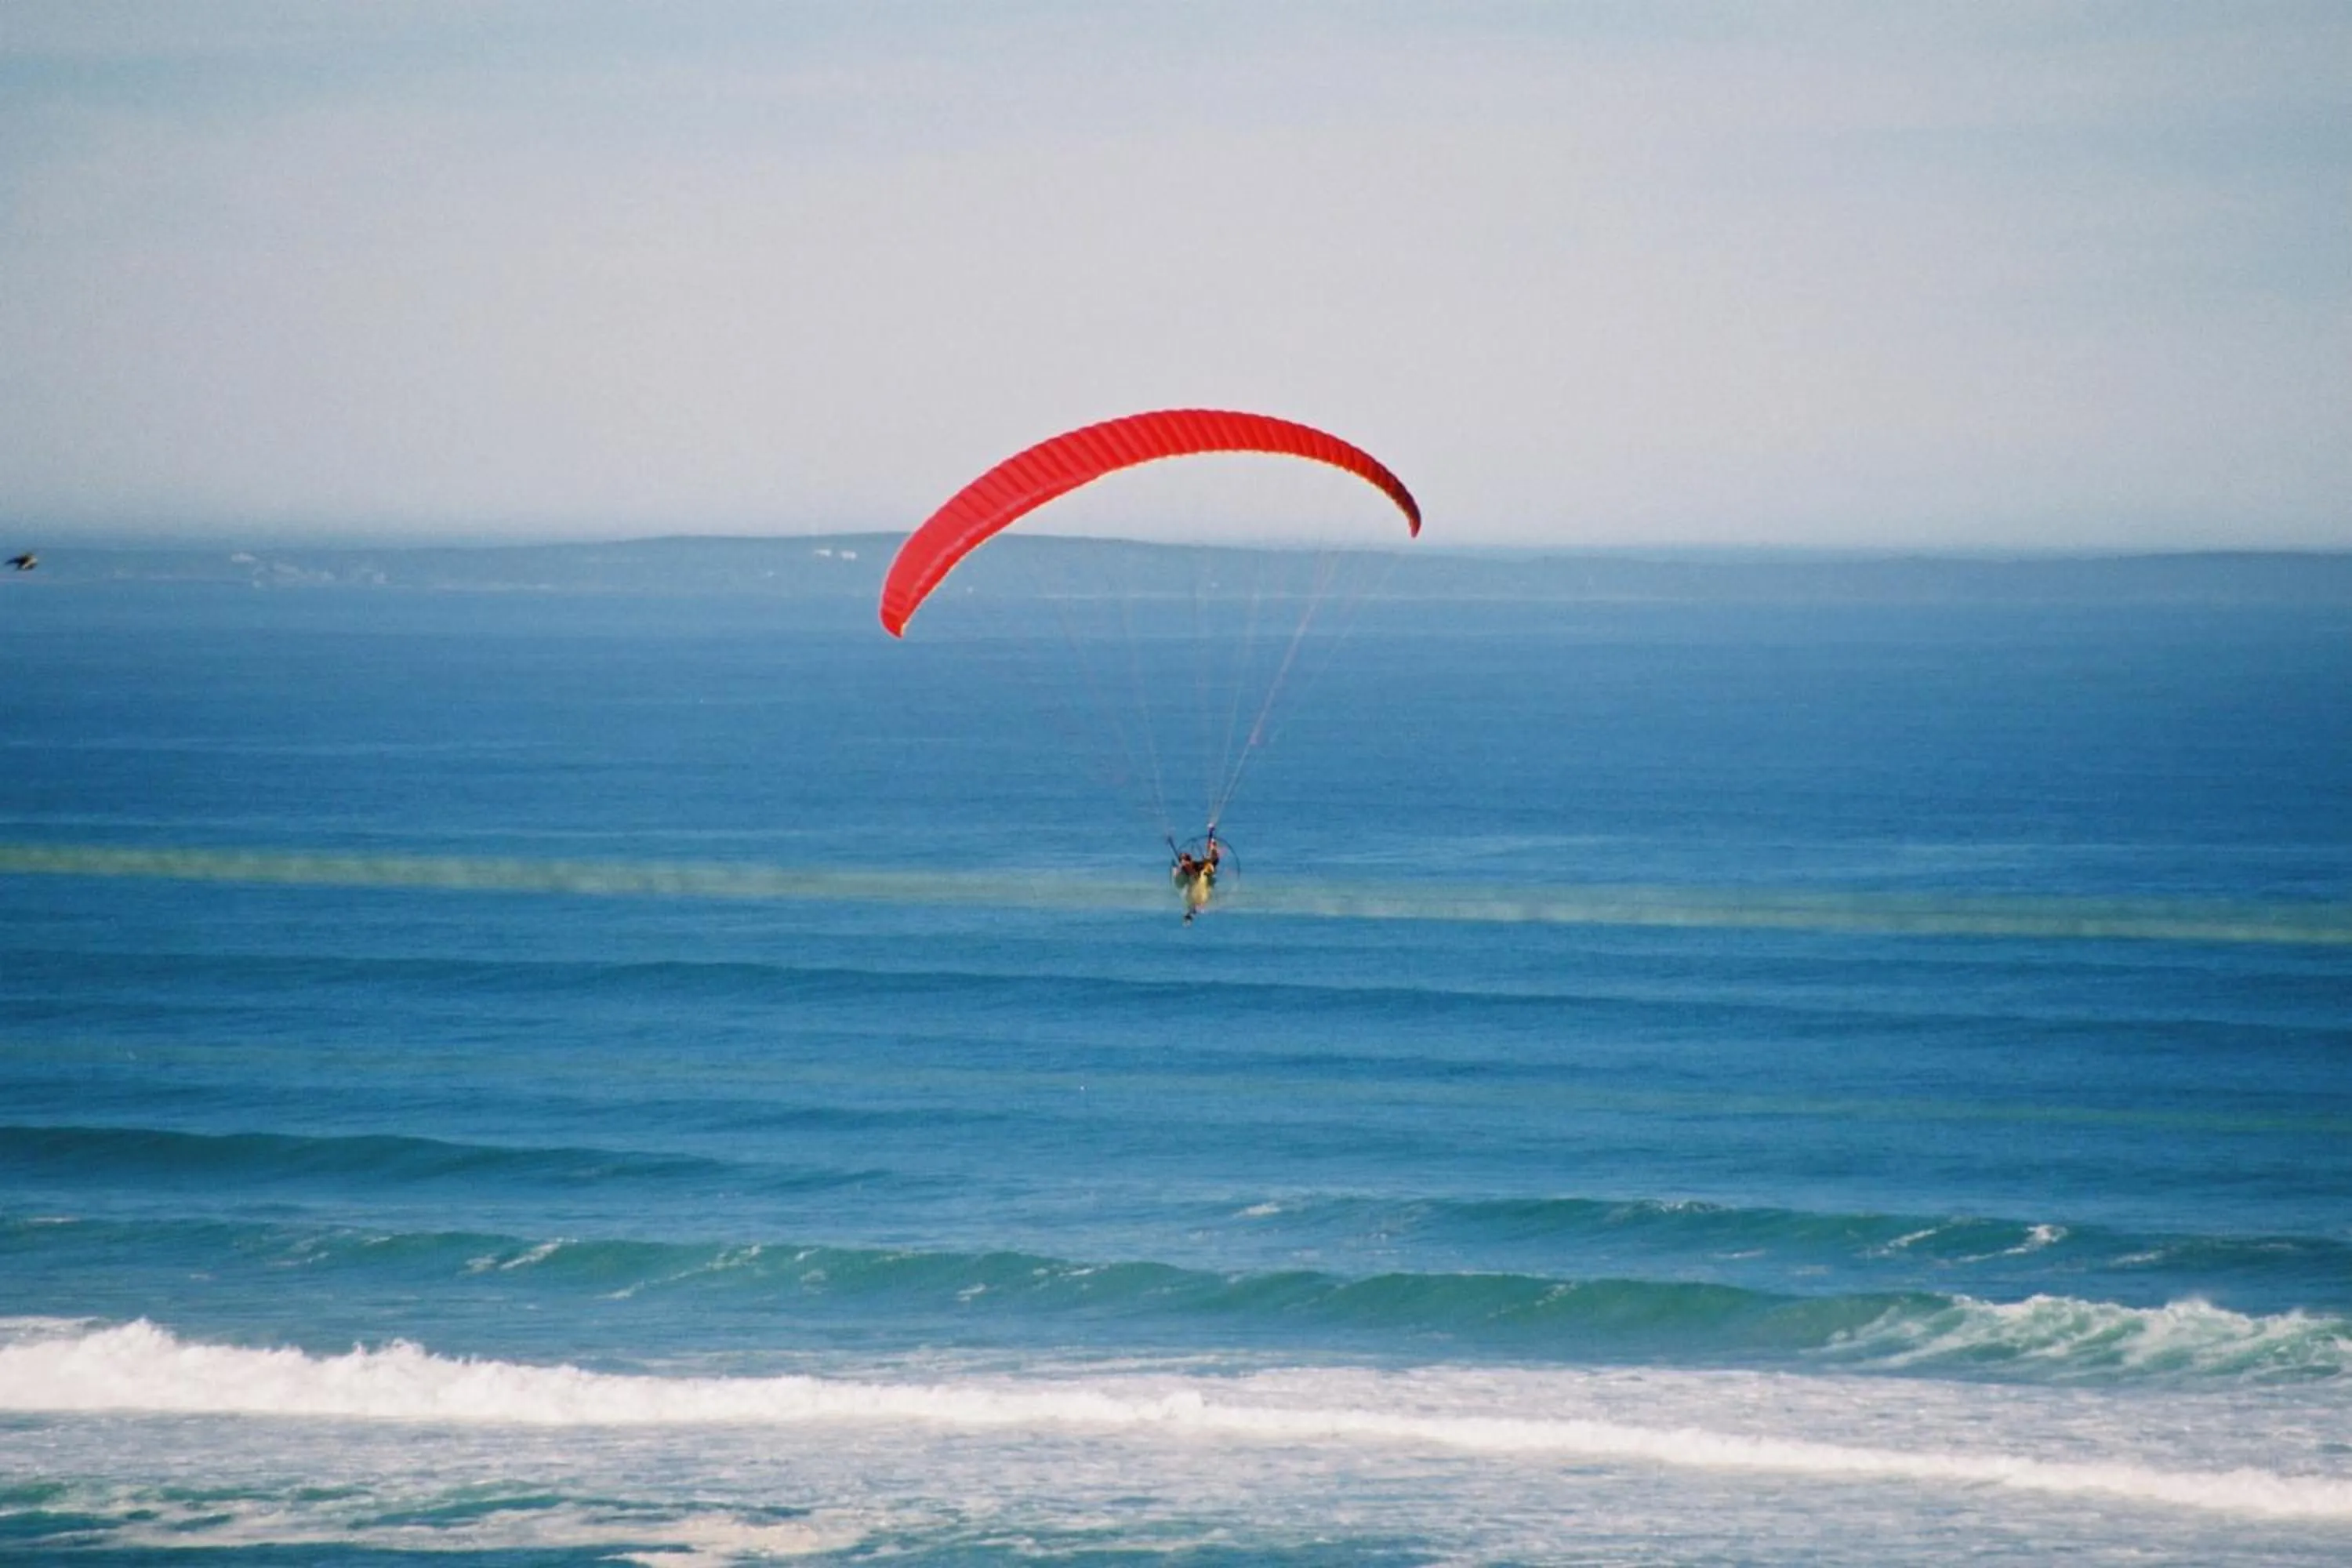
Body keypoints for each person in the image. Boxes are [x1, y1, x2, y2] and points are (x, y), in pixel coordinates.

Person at [1171, 829, 1224, 925]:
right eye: (1183, 862)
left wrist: (1211, 837)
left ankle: (1191, 913)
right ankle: (1189, 915)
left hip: (1204, 885)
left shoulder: (1202, 866)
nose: (1184, 864)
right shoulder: (1184, 871)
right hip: (1193, 889)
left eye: (1186, 861)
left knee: (1207, 869)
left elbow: (1212, 860)